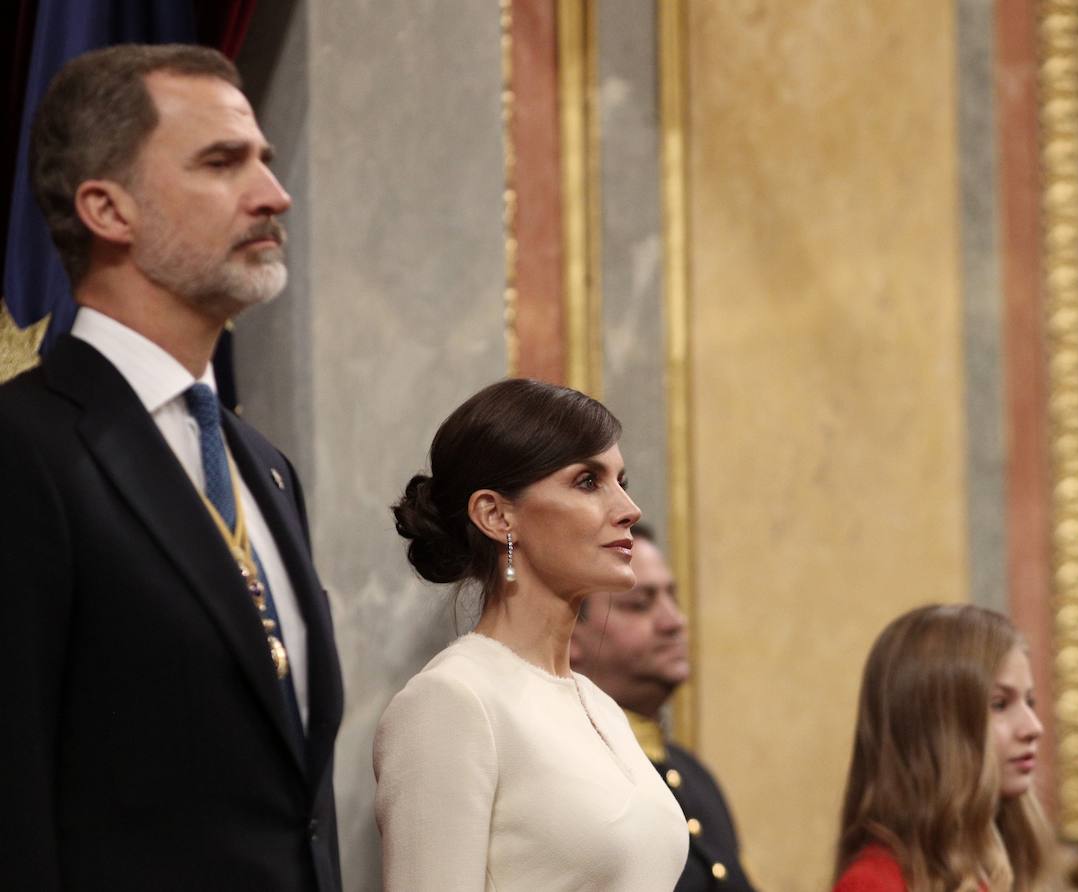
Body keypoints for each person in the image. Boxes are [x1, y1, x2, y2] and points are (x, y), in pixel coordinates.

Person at [0, 45, 343, 890]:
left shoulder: (262, 466)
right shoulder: (22, 448)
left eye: (263, 158)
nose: (274, 192)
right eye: (223, 163)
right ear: (108, 209)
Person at [374, 378, 688, 890]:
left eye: (621, 479)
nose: (629, 508)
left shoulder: (598, 705)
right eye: (588, 481)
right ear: (497, 515)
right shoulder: (451, 701)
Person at [570, 524, 757, 891]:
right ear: (571, 633)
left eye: (674, 598)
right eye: (641, 604)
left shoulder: (695, 775)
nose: (675, 622)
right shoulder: (574, 774)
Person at [833, 604, 1058, 892]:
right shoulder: (873, 884)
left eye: (1029, 702)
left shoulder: (995, 863)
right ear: (932, 732)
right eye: (1000, 704)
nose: (1033, 727)